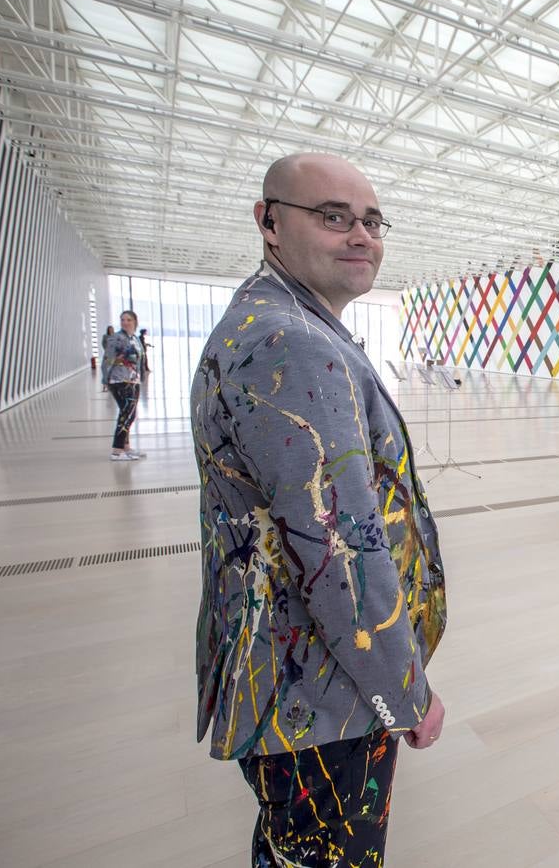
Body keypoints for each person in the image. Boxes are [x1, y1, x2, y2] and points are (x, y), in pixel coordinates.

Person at [190, 153, 447, 868]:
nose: (360, 235)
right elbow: (338, 551)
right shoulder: (292, 342)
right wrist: (407, 693)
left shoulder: (279, 320)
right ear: (269, 222)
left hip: (293, 675)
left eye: (371, 221)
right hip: (321, 689)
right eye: (333, 217)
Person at [101, 310, 144, 461]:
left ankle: (125, 447)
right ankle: (117, 450)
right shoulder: (116, 338)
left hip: (133, 380)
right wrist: (105, 380)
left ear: (135, 322)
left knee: (131, 414)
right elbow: (107, 359)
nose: (125, 322)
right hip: (120, 380)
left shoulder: (135, 339)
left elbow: (139, 361)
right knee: (126, 414)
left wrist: (141, 378)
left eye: (129, 320)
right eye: (123, 320)